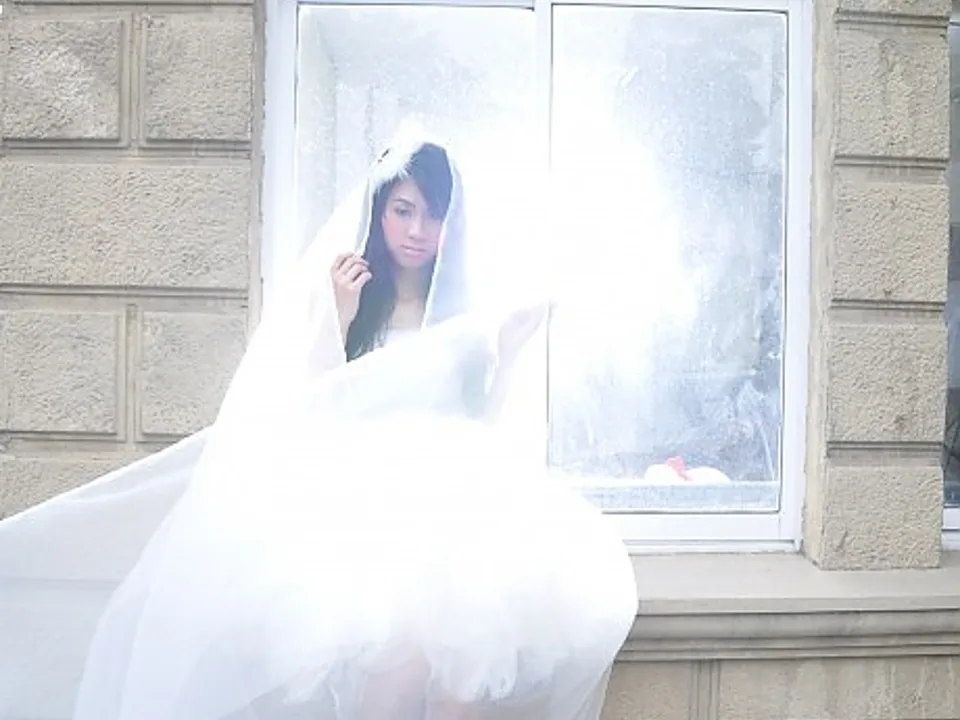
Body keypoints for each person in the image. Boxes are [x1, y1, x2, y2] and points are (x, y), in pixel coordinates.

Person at [0, 131, 637, 720]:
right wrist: (339, 316)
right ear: (379, 213)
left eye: (433, 214)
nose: (418, 230)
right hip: (372, 518)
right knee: (398, 669)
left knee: (460, 680)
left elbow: (483, 433)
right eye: (403, 210)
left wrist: (511, 352)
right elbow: (316, 408)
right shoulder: (352, 304)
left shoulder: (467, 320)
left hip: (450, 521)